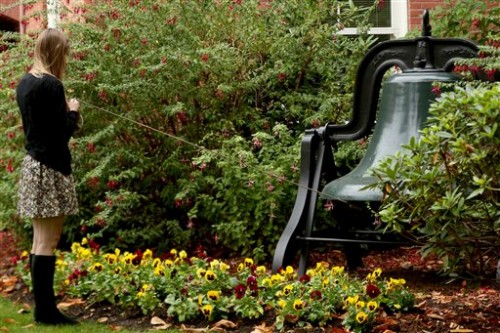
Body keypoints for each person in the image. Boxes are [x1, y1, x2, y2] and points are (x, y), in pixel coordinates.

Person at [16, 28, 81, 325]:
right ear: (57, 52)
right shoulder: (53, 86)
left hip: (33, 167)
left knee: (40, 240)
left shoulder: (25, 82)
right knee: (48, 240)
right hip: (50, 168)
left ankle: (43, 310)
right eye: (64, 52)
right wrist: (73, 112)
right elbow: (60, 137)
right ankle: (46, 311)